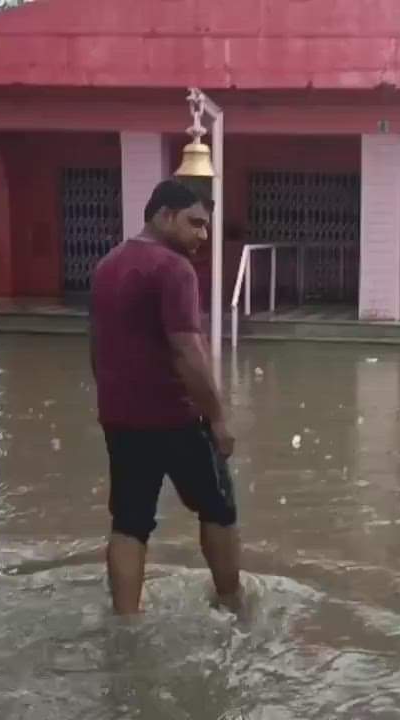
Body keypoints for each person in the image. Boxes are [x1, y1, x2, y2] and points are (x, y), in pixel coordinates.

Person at [89, 180, 240, 615]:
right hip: (175, 417)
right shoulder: (173, 268)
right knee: (219, 508)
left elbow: (96, 346)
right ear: (163, 215)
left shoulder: (108, 264)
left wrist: (111, 402)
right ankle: (232, 602)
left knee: (130, 522)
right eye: (195, 223)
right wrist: (217, 419)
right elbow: (186, 350)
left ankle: (126, 620)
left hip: (120, 419)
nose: (202, 235)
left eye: (206, 227)